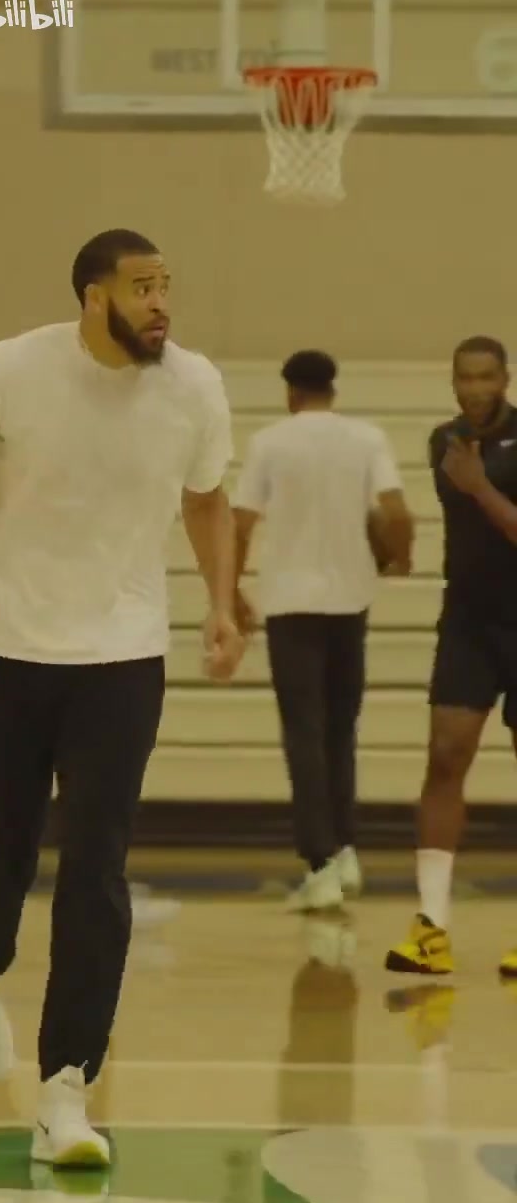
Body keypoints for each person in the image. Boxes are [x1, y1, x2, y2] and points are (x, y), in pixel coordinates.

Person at [0, 228, 243, 1168]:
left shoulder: (196, 386)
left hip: (123, 654)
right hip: (3, 647)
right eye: (142, 287)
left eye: (166, 284)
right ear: (94, 297)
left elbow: (207, 500)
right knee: (7, 844)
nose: (161, 303)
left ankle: (65, 1087)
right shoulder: (7, 371)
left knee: (97, 864)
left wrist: (222, 602)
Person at [232, 350, 413, 911]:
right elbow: (396, 511)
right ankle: (347, 848)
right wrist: (400, 556)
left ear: (291, 391)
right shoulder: (367, 438)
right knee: (340, 730)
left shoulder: (270, 442)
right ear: (333, 388)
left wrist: (229, 589)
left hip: (291, 603)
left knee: (303, 733)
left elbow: (240, 522)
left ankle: (320, 864)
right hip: (350, 600)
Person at [386, 336, 517, 979]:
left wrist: (480, 486)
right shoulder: (443, 441)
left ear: (505, 379)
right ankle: (432, 926)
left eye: (486, 377)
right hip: (467, 623)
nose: (475, 389)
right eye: (465, 378)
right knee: (444, 756)